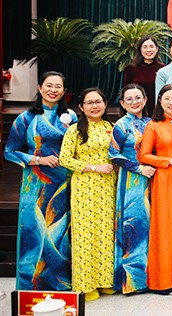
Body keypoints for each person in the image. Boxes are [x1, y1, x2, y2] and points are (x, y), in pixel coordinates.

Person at [4, 71, 77, 290]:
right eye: (49, 85)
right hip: (35, 183)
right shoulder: (26, 118)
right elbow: (9, 151)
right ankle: (31, 285)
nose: (53, 90)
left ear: (64, 91)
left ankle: (61, 283)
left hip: (63, 182)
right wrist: (38, 159)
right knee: (33, 230)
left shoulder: (71, 117)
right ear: (39, 88)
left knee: (60, 231)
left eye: (58, 86)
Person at [59, 88, 115, 301]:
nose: (95, 106)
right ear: (81, 107)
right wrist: (93, 167)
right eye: (89, 103)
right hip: (84, 186)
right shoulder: (74, 130)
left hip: (107, 186)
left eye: (98, 101)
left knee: (105, 232)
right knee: (85, 234)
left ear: (105, 104)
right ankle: (85, 284)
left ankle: (104, 281)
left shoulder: (110, 127)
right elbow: (65, 159)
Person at [138, 85, 172, 295]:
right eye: (167, 98)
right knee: (165, 227)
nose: (171, 102)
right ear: (160, 101)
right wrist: (170, 161)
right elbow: (144, 155)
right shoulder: (153, 125)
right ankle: (163, 281)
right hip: (164, 180)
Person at [109, 84, 153, 294]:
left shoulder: (151, 122)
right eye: (129, 99)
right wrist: (138, 168)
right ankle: (132, 281)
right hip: (131, 182)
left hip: (152, 179)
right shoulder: (121, 124)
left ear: (145, 99)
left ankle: (151, 277)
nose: (134, 102)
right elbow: (113, 154)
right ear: (122, 103)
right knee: (133, 225)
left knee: (149, 226)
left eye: (138, 98)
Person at [123, 36, 164, 115]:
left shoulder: (163, 69)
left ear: (157, 49)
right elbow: (126, 93)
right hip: (137, 111)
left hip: (158, 111)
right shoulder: (131, 69)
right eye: (145, 47)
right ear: (140, 49)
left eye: (151, 46)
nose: (148, 50)